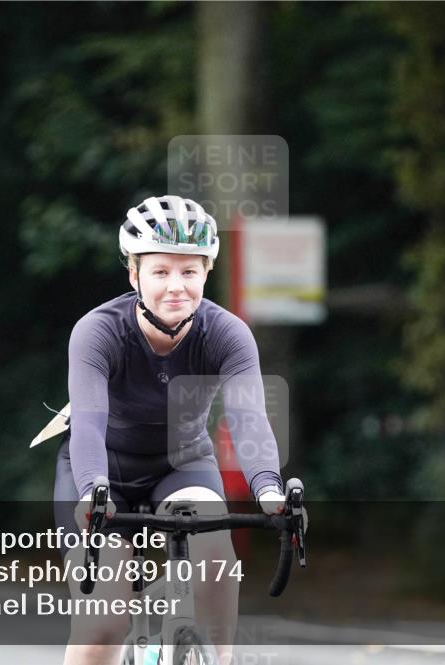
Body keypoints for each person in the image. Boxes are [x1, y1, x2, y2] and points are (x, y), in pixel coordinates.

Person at [54, 195, 287, 665]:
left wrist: (268, 488)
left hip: (181, 465)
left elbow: (247, 416)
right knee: (103, 624)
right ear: (134, 274)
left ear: (206, 272)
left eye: (189, 271)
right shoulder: (97, 331)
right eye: (161, 271)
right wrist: (91, 491)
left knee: (216, 554)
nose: (176, 286)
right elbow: (89, 424)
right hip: (100, 472)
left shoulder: (227, 333)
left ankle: (218, 657)